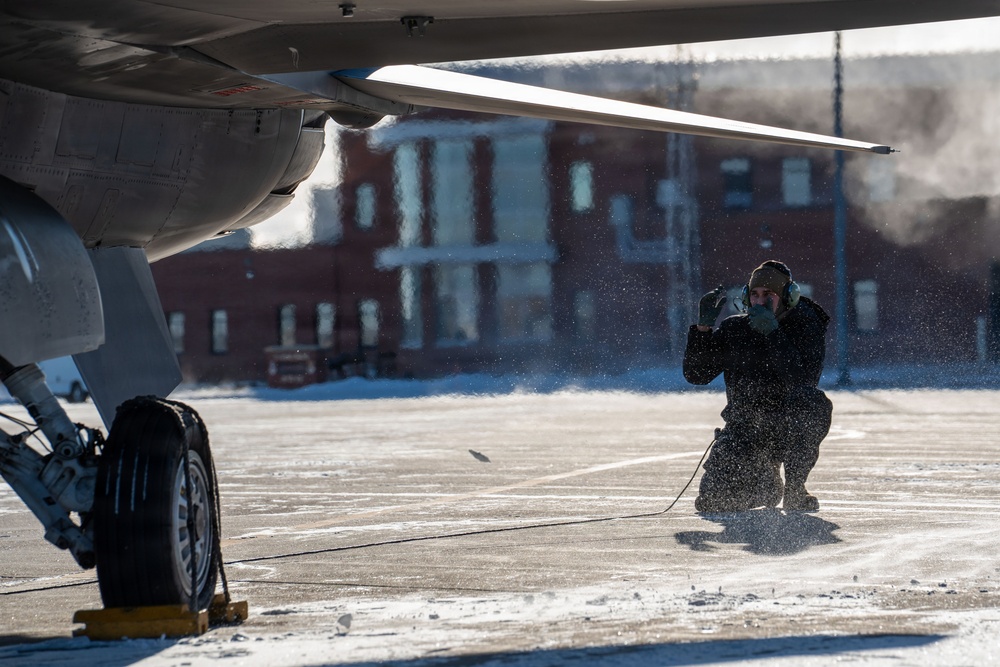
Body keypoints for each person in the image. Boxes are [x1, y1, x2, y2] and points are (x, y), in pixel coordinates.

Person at [683, 260, 832, 512]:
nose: (760, 301)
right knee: (713, 501)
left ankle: (795, 489)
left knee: (813, 403)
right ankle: (767, 483)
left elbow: (802, 379)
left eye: (768, 295)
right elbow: (697, 374)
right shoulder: (736, 329)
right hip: (746, 429)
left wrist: (773, 334)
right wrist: (703, 330)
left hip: (788, 427)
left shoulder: (806, 328)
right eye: (754, 294)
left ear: (788, 297)